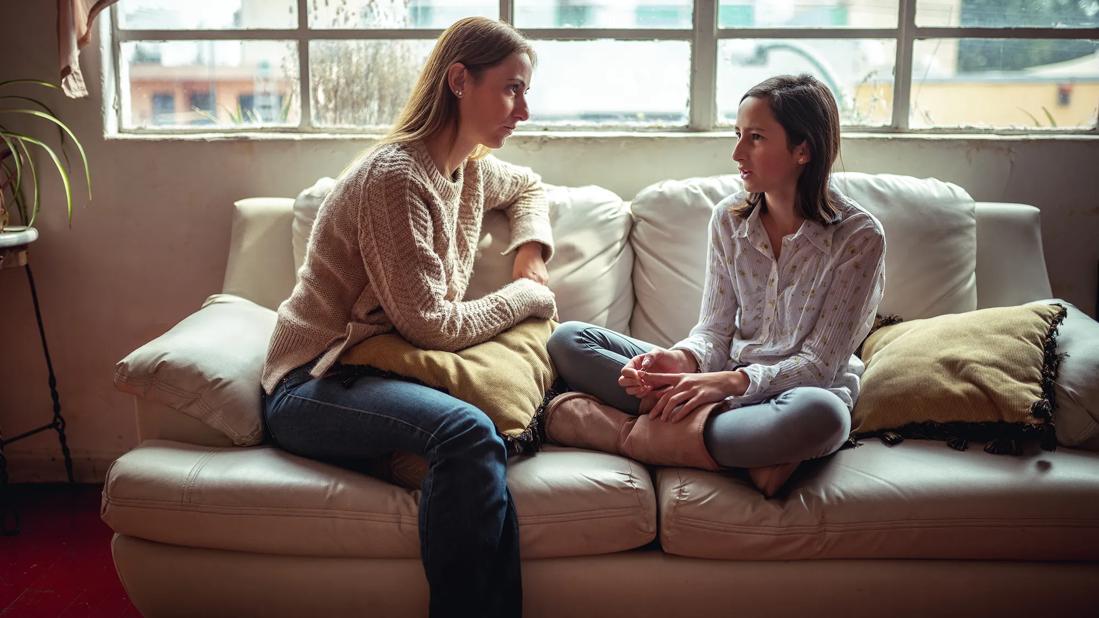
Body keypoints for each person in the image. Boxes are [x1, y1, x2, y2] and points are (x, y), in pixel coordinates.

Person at [261, 17, 554, 618]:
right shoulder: (396, 177)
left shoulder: (468, 167)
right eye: (511, 88)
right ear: (458, 81)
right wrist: (528, 299)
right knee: (468, 432)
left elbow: (528, 187)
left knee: (486, 434)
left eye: (525, 91)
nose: (523, 110)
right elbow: (433, 326)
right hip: (315, 380)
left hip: (384, 373)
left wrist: (530, 257)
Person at [546, 74, 886, 496]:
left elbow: (818, 366)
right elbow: (714, 330)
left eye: (756, 138)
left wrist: (726, 385)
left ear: (804, 149)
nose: (737, 153)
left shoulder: (858, 238)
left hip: (795, 394)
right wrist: (681, 361)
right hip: (719, 382)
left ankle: (625, 434)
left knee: (824, 417)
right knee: (569, 340)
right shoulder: (729, 219)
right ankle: (737, 451)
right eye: (738, 134)